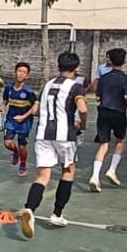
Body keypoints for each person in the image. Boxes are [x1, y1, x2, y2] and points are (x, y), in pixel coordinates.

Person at [19, 52, 89, 239]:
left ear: (58, 67)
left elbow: (37, 108)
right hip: (64, 135)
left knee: (42, 176)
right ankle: (57, 213)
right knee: (68, 171)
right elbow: (82, 108)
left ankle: (30, 208)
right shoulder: (75, 87)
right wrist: (82, 124)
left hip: (43, 134)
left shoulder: (47, 85)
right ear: (76, 68)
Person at [89, 48, 127, 192]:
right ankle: (112, 169)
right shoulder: (126, 79)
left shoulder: (103, 78)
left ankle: (95, 176)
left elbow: (98, 96)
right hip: (118, 112)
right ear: (124, 61)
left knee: (104, 144)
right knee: (120, 140)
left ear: (109, 60)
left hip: (103, 112)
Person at [1, 62, 39, 177]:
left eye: (24, 72)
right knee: (7, 143)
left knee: (23, 146)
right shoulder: (8, 87)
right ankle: (15, 152)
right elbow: (5, 100)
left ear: (27, 76)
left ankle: (23, 165)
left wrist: (23, 117)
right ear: (15, 72)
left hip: (24, 122)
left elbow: (35, 105)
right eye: (19, 71)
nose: (21, 74)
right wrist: (2, 106)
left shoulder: (28, 91)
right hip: (11, 120)